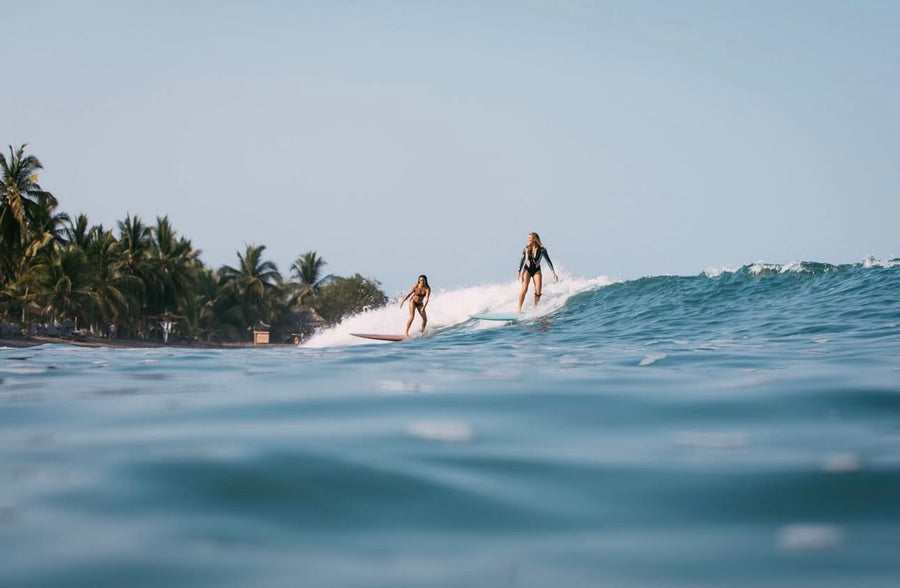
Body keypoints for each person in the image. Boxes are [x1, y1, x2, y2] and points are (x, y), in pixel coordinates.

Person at [517, 232, 557, 314]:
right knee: (524, 289)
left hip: (536, 270)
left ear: (534, 239)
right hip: (527, 270)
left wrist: (553, 272)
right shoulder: (526, 249)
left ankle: (535, 309)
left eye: (529, 238)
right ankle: (519, 309)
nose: (528, 239)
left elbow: (548, 261)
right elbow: (522, 260)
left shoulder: (542, 250)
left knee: (538, 291)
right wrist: (519, 271)